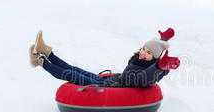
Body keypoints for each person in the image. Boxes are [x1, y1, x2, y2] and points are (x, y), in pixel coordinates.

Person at [29, 28, 180, 88]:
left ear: (154, 59)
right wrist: (163, 39)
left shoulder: (148, 73)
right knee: (74, 69)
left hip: (108, 88)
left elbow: (144, 78)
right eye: (143, 49)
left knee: (71, 75)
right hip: (109, 80)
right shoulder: (141, 60)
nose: (143, 53)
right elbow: (158, 50)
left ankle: (40, 62)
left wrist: (160, 67)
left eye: (148, 53)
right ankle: (47, 53)